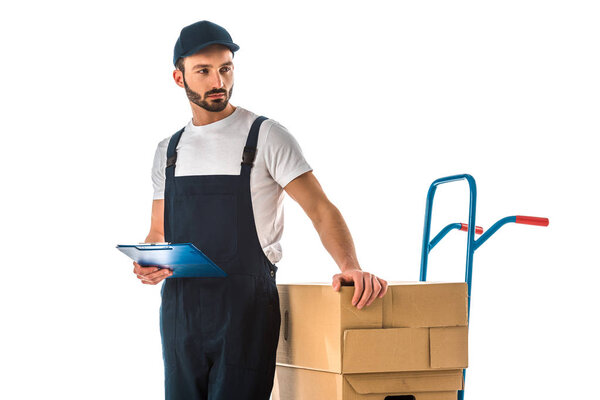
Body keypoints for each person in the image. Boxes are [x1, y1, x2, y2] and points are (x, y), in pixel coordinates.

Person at [132, 20, 389, 400]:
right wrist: (149, 260)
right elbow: (158, 232)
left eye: (225, 68)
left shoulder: (266, 136)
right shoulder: (168, 151)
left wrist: (349, 265)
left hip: (246, 310)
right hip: (180, 312)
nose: (218, 80)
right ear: (178, 77)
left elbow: (320, 208)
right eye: (203, 71)